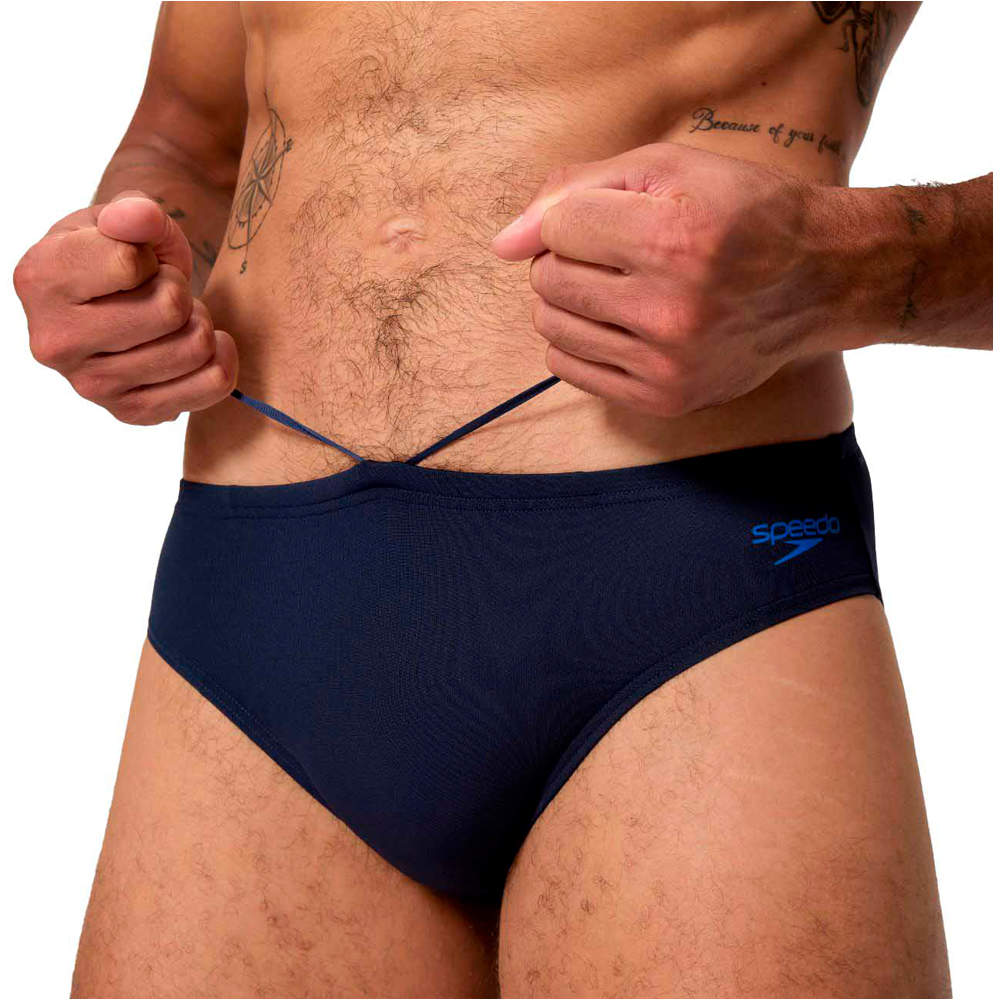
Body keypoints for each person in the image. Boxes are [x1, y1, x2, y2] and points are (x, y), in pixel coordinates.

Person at [13, 3, 990, 997]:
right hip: (256, 599)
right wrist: (125, 269)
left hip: (691, 584)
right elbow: (188, 135)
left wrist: (844, 263)